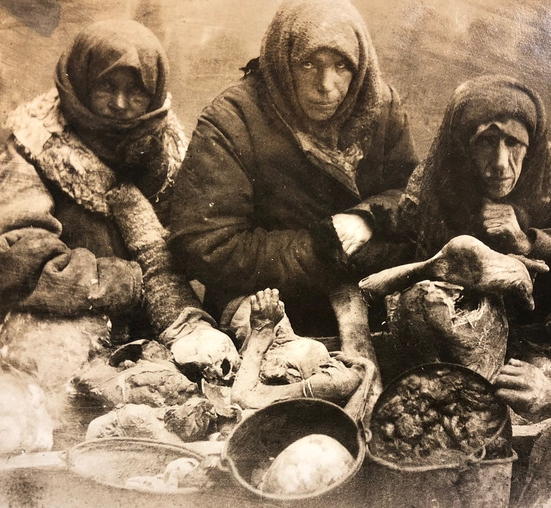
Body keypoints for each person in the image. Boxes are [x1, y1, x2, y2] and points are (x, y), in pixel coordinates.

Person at [0, 19, 237, 387]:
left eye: (136, 91)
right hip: (44, 343)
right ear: (82, 80)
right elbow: (3, 259)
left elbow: (197, 242)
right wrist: (122, 282)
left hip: (146, 347)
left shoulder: (165, 150)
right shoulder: (36, 145)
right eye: (107, 85)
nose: (120, 104)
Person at [396, 75, 551, 422]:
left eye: (513, 143)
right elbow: (408, 284)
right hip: (477, 344)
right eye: (486, 142)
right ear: (462, 145)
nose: (500, 162)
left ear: (532, 144)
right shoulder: (433, 183)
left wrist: (532, 242)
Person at [168, 0, 419, 339]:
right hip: (266, 312)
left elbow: (411, 193)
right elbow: (204, 246)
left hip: (371, 304)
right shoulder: (232, 119)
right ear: (283, 60)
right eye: (308, 63)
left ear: (359, 66)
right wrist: (321, 246)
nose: (325, 84)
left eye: (341, 66)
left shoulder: (378, 105)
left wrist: (366, 217)